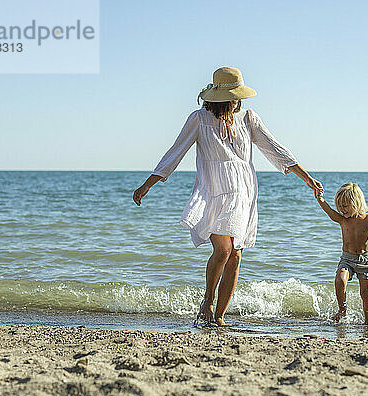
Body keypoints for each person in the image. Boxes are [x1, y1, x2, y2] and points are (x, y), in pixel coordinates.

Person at [133, 66, 322, 326]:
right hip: (213, 191)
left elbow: (274, 149)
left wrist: (307, 177)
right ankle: (208, 301)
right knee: (223, 250)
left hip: (243, 193)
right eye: (231, 95)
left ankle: (219, 315)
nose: (236, 100)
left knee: (235, 254)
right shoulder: (199, 119)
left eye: (237, 95)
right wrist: (149, 183)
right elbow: (175, 151)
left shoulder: (248, 118)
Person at [315, 182, 368, 325]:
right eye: (340, 206)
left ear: (356, 203)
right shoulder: (342, 219)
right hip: (347, 260)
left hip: (365, 261)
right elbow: (329, 211)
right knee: (340, 280)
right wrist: (320, 199)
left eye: (345, 206)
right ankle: (342, 310)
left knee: (366, 293)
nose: (342, 210)